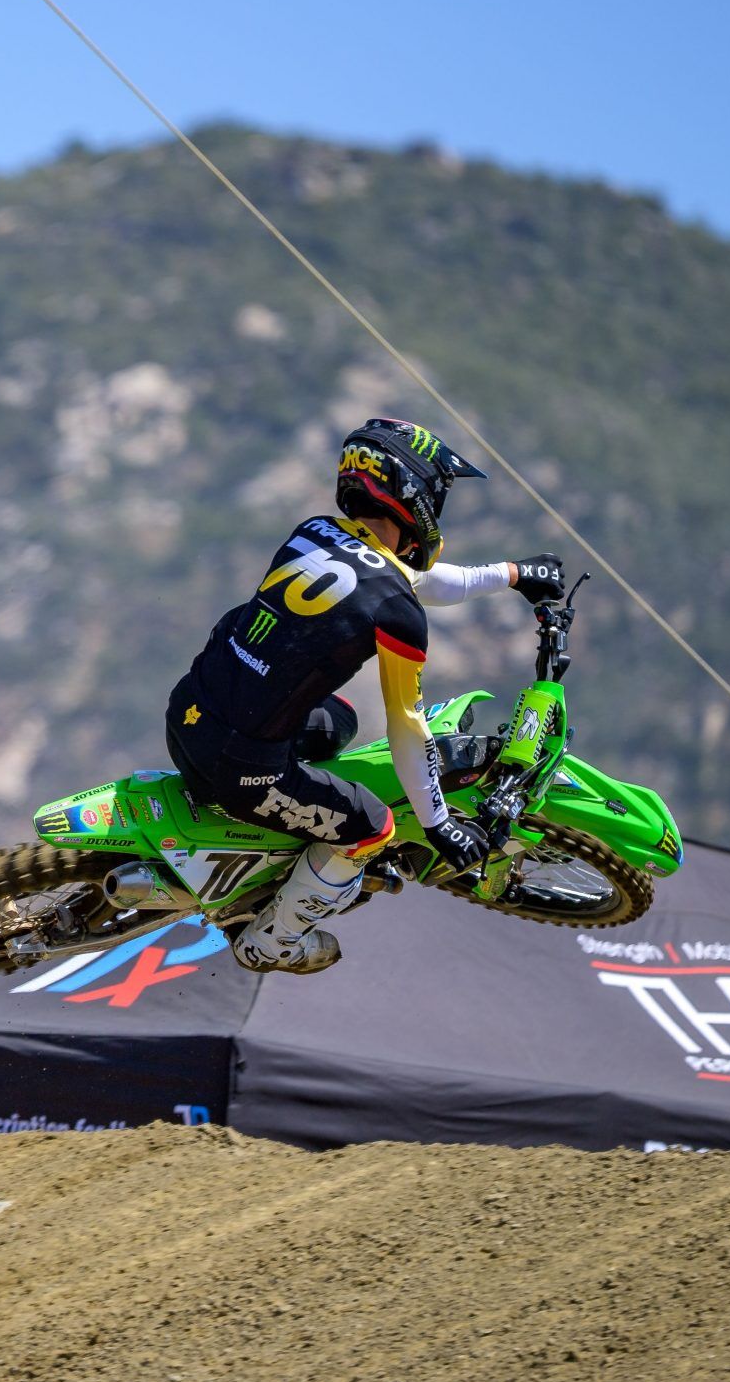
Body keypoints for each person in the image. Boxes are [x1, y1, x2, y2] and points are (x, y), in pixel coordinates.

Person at [167, 417, 566, 975]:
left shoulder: (314, 533)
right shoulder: (397, 612)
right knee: (372, 826)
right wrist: (438, 823)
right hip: (236, 766)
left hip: (188, 712)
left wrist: (513, 574)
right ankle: (272, 941)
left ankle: (271, 844)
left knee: (340, 722)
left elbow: (407, 578)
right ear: (416, 497)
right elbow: (407, 726)